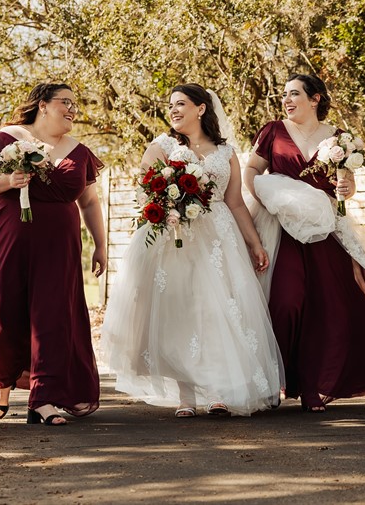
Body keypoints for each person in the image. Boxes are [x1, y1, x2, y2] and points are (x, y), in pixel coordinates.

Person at [102, 84, 283, 418]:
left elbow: (236, 203)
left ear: (201, 109)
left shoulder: (226, 151)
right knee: (180, 312)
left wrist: (254, 243)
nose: (173, 110)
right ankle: (187, 395)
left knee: (215, 310)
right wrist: (167, 204)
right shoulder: (161, 145)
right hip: (174, 237)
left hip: (219, 238)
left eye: (180, 104)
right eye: (170, 105)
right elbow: (144, 194)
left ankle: (216, 391)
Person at [0, 83, 106, 427]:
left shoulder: (80, 151)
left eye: (76, 104)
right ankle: (2, 384)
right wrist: (9, 180)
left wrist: (100, 244)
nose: (72, 109)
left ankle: (43, 398)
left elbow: (89, 202)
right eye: (65, 102)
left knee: (53, 318)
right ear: (43, 105)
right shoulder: (9, 137)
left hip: (59, 247)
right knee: (5, 314)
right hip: (8, 238)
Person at [244, 73, 365, 411]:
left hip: (323, 230)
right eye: (284, 95)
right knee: (285, 302)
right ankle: (274, 380)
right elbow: (251, 172)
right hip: (279, 227)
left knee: (325, 306)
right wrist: (270, 195)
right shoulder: (272, 131)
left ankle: (314, 386)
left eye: (294, 94)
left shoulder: (339, 137)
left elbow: (346, 181)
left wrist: (348, 189)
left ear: (315, 99)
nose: (287, 100)